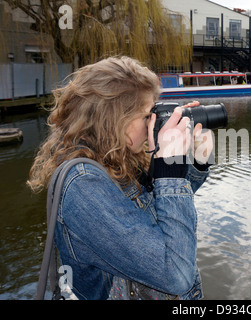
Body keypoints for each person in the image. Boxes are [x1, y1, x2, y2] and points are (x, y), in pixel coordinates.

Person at [27, 56, 214, 300]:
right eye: (148, 115)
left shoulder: (119, 157)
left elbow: (168, 209)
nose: (153, 123)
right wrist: (170, 166)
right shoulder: (83, 186)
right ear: (116, 120)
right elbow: (176, 275)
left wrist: (198, 160)